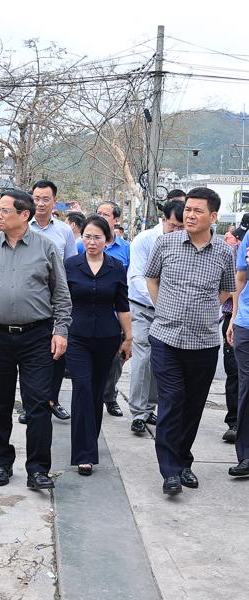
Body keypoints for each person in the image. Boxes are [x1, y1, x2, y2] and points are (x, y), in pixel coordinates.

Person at [0, 189, 72, 490]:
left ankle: (38, 470)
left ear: (25, 215)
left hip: (37, 336)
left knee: (37, 405)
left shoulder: (46, 248)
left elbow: (61, 294)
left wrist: (61, 330)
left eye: (5, 210)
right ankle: (1, 463)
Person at [146, 187, 235, 495]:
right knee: (171, 401)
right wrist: (166, 309)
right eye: (188, 209)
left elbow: (225, 291)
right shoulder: (166, 243)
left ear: (213, 217)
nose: (191, 215)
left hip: (204, 342)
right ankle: (170, 471)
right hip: (166, 338)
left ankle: (183, 460)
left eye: (198, 211)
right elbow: (151, 278)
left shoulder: (225, 251)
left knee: (194, 405)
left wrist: (203, 311)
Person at [65, 216, 133, 475]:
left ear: (107, 240)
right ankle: (84, 453)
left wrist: (128, 337)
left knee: (96, 392)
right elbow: (60, 301)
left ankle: (89, 440)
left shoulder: (116, 267)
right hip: (77, 336)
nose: (91, 242)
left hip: (107, 337)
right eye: (87, 237)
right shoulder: (71, 265)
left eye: (97, 237)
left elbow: (122, 305)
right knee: (81, 387)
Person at [125, 199, 184, 434]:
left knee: (160, 359)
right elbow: (137, 279)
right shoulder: (145, 240)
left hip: (171, 311)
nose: (178, 231)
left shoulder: (186, 242)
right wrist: (160, 302)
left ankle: (150, 408)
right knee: (142, 355)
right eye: (174, 226)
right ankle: (138, 412)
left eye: (182, 228)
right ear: (163, 220)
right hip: (142, 307)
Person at [28, 180, 78, 424]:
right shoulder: (22, 226)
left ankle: (52, 400)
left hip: (55, 302)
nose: (40, 203)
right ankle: (31, 406)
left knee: (56, 354)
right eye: (36, 198)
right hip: (27, 303)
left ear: (54, 202)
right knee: (28, 357)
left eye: (45, 199)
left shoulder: (64, 232)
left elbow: (70, 266)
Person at [87, 201, 131, 417]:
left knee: (114, 363)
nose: (102, 217)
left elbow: (126, 286)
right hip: (85, 318)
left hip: (113, 317)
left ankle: (109, 397)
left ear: (116, 220)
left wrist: (128, 333)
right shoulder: (82, 246)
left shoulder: (125, 249)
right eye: (99, 213)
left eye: (106, 214)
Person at [221, 214, 249, 443]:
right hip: (240, 318)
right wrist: (233, 316)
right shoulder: (240, 240)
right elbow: (238, 279)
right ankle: (236, 424)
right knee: (239, 376)